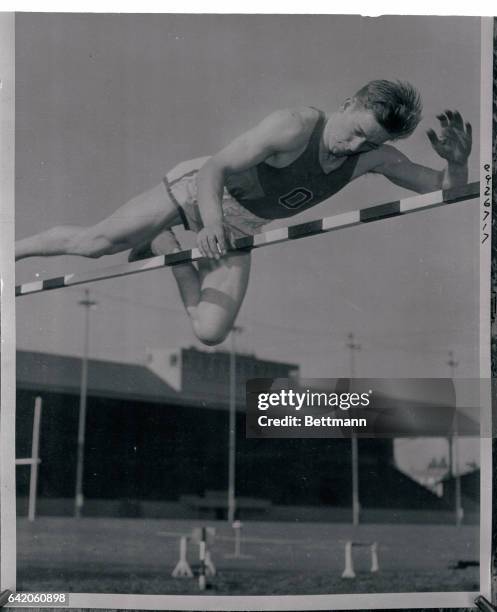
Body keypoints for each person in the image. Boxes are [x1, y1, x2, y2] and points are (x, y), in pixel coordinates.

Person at [15, 80, 472, 346]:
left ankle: (166, 248)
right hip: (198, 193)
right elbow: (216, 166)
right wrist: (210, 222)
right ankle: (9, 251)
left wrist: (455, 163)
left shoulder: (376, 158)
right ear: (348, 105)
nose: (354, 147)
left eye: (369, 144)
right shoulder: (293, 125)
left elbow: (442, 190)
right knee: (94, 245)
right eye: (355, 133)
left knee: (210, 331)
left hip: (241, 226)